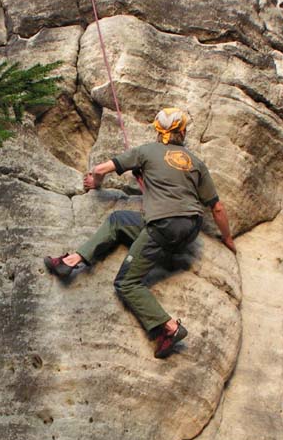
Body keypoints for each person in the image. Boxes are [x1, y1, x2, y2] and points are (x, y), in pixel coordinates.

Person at [44, 107, 236, 359]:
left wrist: (95, 184)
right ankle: (72, 261)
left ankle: (169, 328)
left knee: (126, 282)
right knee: (119, 220)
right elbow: (217, 208)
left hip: (163, 227)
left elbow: (101, 169)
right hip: (188, 232)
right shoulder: (195, 163)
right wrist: (228, 239)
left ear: (158, 132)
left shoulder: (146, 151)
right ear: (183, 132)